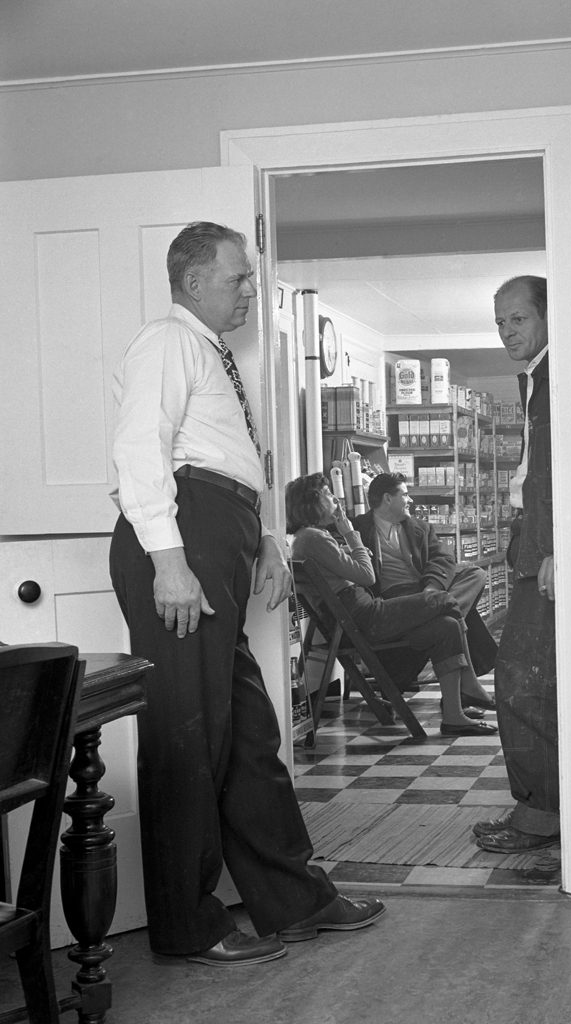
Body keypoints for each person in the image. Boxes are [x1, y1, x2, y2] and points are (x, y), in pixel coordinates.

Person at [108, 222, 384, 968]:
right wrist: (169, 561)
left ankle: (297, 901)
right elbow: (141, 450)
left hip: (218, 533)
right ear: (194, 280)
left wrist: (265, 541)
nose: (250, 293)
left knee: (248, 737)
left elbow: (237, 459)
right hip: (182, 537)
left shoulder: (215, 355)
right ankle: (186, 926)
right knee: (186, 739)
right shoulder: (165, 343)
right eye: (238, 279)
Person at [286, 472, 496, 735]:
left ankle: (454, 716)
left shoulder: (309, 538)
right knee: (444, 602)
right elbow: (367, 575)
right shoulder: (314, 538)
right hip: (366, 615)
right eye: (328, 494)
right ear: (313, 501)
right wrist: (351, 535)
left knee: (447, 625)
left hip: (358, 614)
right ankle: (471, 687)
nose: (335, 499)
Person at [472, 275, 560, 854]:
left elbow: (558, 470)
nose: (507, 331)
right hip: (531, 543)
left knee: (519, 681)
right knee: (538, 680)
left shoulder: (554, 381)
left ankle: (542, 813)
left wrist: (557, 546)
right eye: (500, 321)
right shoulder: (536, 381)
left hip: (547, 549)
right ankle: (550, 804)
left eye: (518, 319)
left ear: (548, 317)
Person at [352, 473, 498, 708]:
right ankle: (467, 685)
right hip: (395, 600)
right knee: (452, 614)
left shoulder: (420, 527)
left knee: (476, 574)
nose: (410, 500)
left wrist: (432, 588)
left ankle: (438, 608)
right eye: (405, 494)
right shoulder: (357, 528)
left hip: (426, 591)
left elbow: (442, 558)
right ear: (388, 499)